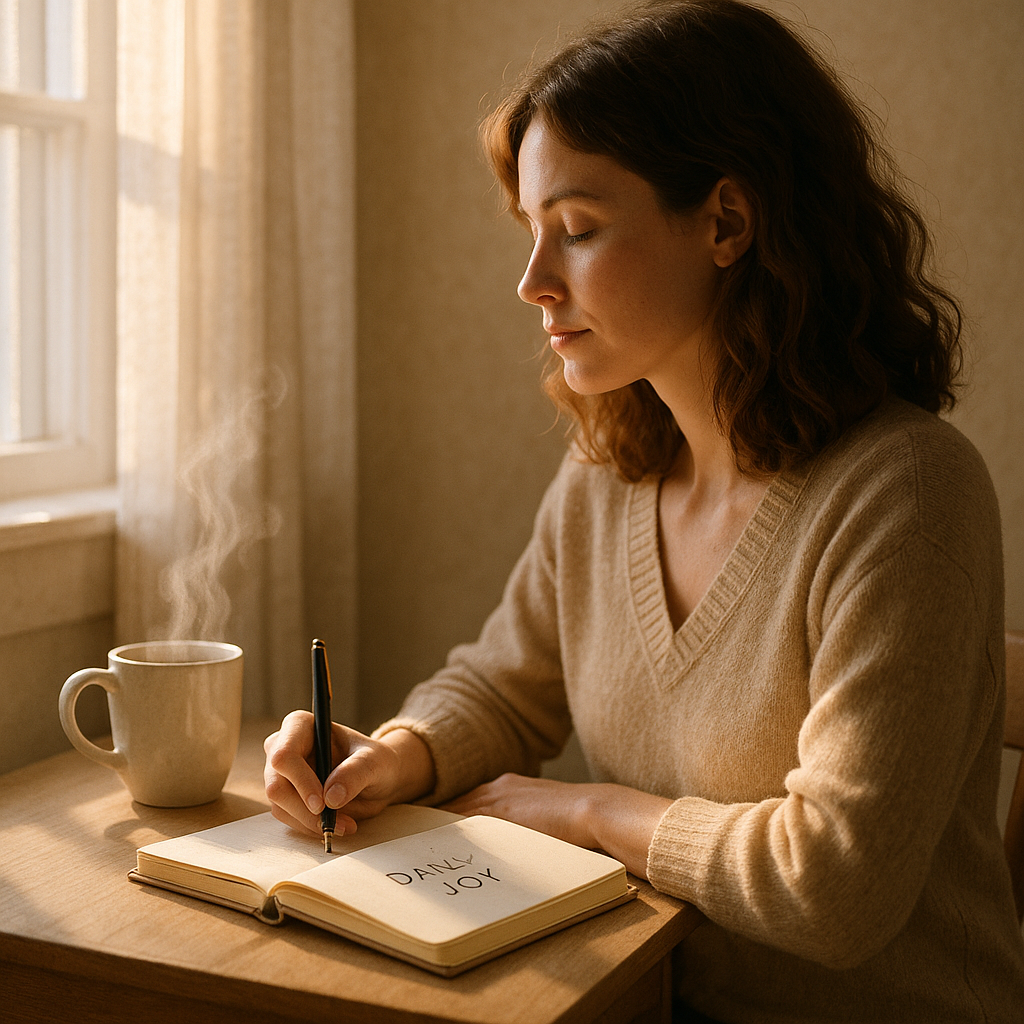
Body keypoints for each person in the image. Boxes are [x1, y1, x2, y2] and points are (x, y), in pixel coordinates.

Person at [263, 1, 1024, 1019]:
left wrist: (588, 810)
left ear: (725, 222)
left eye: (575, 230)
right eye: (532, 232)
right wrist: (393, 753)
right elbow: (507, 686)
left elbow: (834, 887)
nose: (531, 282)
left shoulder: (908, 495)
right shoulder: (605, 475)